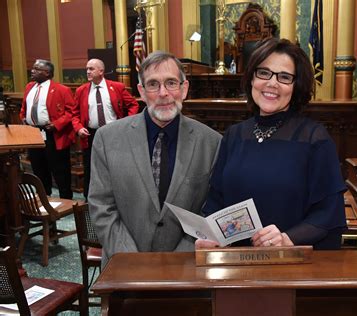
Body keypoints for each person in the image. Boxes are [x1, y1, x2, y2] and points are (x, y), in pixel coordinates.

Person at [198, 38, 346, 250]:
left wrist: (287, 238)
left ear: (296, 86)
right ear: (251, 79)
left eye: (284, 77)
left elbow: (328, 213)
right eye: (264, 73)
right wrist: (208, 235)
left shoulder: (314, 139)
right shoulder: (234, 136)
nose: (272, 83)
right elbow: (216, 200)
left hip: (288, 265)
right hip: (235, 262)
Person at [88, 51, 222, 266]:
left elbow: (210, 209)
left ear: (184, 89)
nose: (163, 93)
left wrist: (179, 259)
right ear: (141, 91)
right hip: (123, 266)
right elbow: (101, 206)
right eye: (153, 84)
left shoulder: (212, 142)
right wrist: (131, 260)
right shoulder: (107, 138)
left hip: (187, 269)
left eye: (171, 83)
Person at [71, 58, 139, 199]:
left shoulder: (117, 87)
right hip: (91, 134)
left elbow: (133, 104)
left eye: (91, 69)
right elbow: (74, 114)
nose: (87, 72)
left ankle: (119, 196)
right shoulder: (81, 90)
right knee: (90, 167)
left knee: (116, 165)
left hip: (115, 133)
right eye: (87, 69)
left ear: (101, 71)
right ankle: (89, 199)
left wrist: (126, 123)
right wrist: (78, 128)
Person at [19, 59, 75, 199]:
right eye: (33, 68)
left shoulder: (62, 89)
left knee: (59, 170)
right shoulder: (29, 87)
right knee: (39, 167)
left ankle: (66, 199)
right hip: (33, 134)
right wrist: (23, 117)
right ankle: (44, 196)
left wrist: (56, 124)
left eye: (37, 69)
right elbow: (24, 107)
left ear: (47, 73)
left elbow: (71, 112)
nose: (32, 71)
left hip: (53, 135)